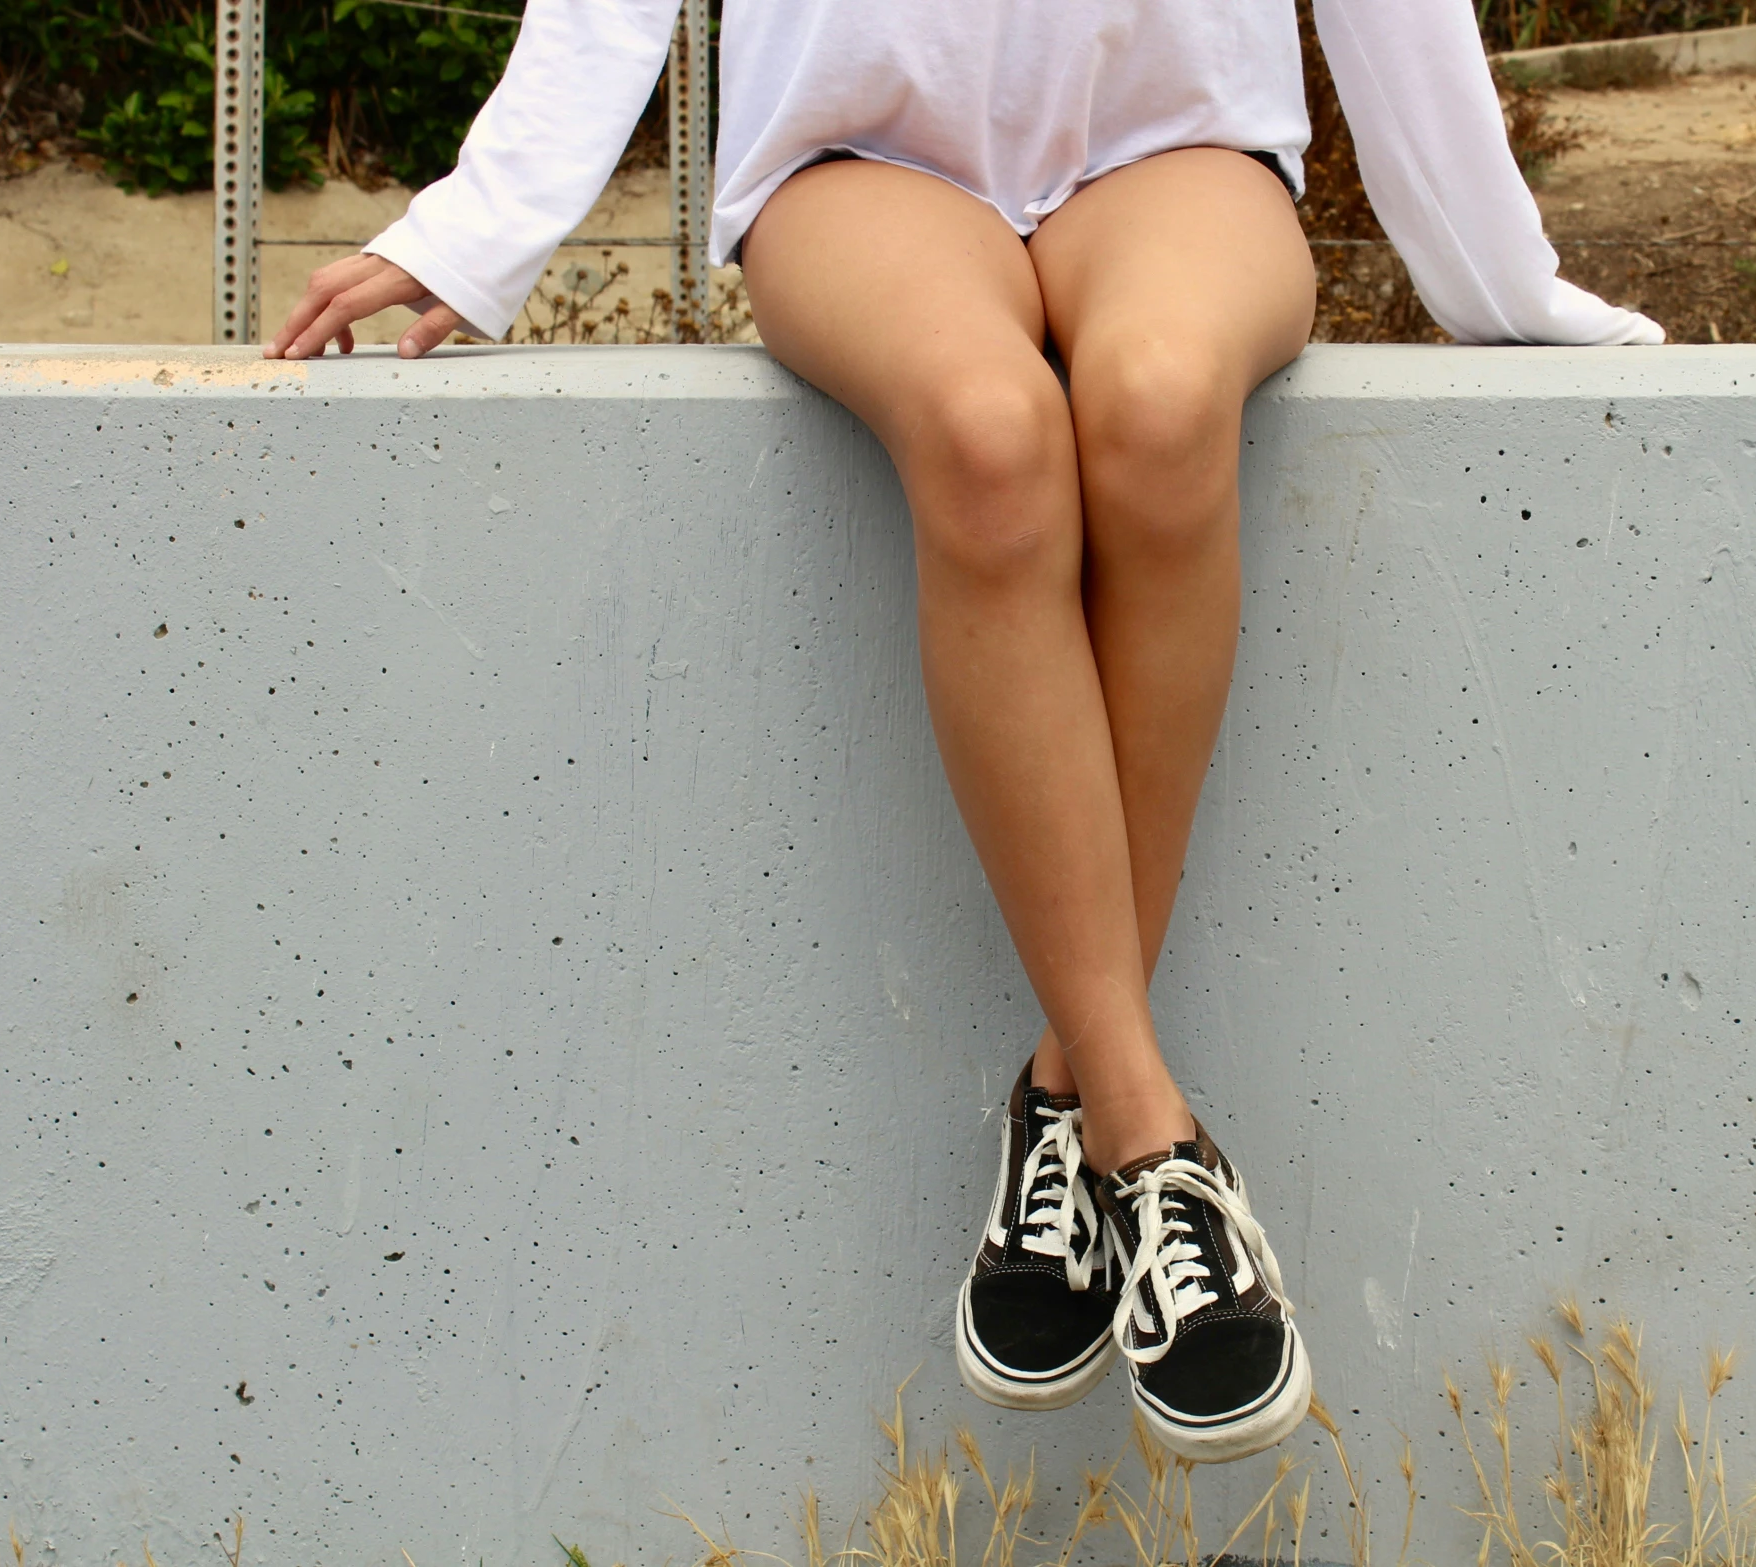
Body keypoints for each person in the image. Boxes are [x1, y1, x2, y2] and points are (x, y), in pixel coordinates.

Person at [267, 0, 1661, 1464]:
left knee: (1165, 403)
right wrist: (481, 222)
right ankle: (1147, 1138)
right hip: (855, 153)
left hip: (1175, 136)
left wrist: (1500, 275)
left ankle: (1064, 1094)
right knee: (989, 433)